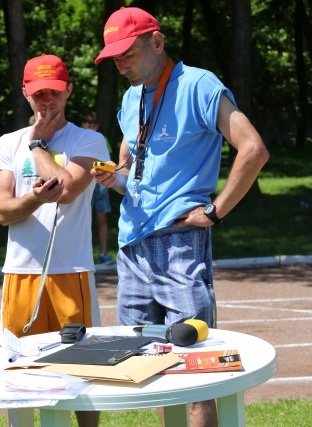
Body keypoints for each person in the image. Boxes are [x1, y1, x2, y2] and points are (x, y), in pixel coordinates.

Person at [92, 7, 269, 427]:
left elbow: (254, 149)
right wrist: (112, 179)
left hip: (178, 243)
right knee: (147, 368)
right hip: (131, 245)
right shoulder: (131, 96)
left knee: (195, 369)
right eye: (114, 58)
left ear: (156, 42)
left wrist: (216, 210)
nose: (121, 65)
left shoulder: (198, 84)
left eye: (127, 54)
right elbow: (128, 168)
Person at [0, 54, 109, 427]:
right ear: (25, 93)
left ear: (68, 90)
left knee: (83, 369)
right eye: (39, 93)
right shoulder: (7, 143)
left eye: (54, 92)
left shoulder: (88, 139)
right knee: (18, 368)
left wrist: (38, 145)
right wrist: (35, 198)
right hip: (20, 273)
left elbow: (68, 189)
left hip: (71, 272)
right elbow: (3, 211)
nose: (47, 102)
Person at [81, 111, 115, 265]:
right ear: (83, 124)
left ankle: (103, 253)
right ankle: (82, 252)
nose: (91, 126)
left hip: (100, 184)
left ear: (98, 126)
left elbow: (108, 161)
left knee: (102, 218)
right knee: (81, 218)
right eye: (88, 123)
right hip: (84, 182)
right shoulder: (79, 138)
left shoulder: (103, 139)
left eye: (94, 123)